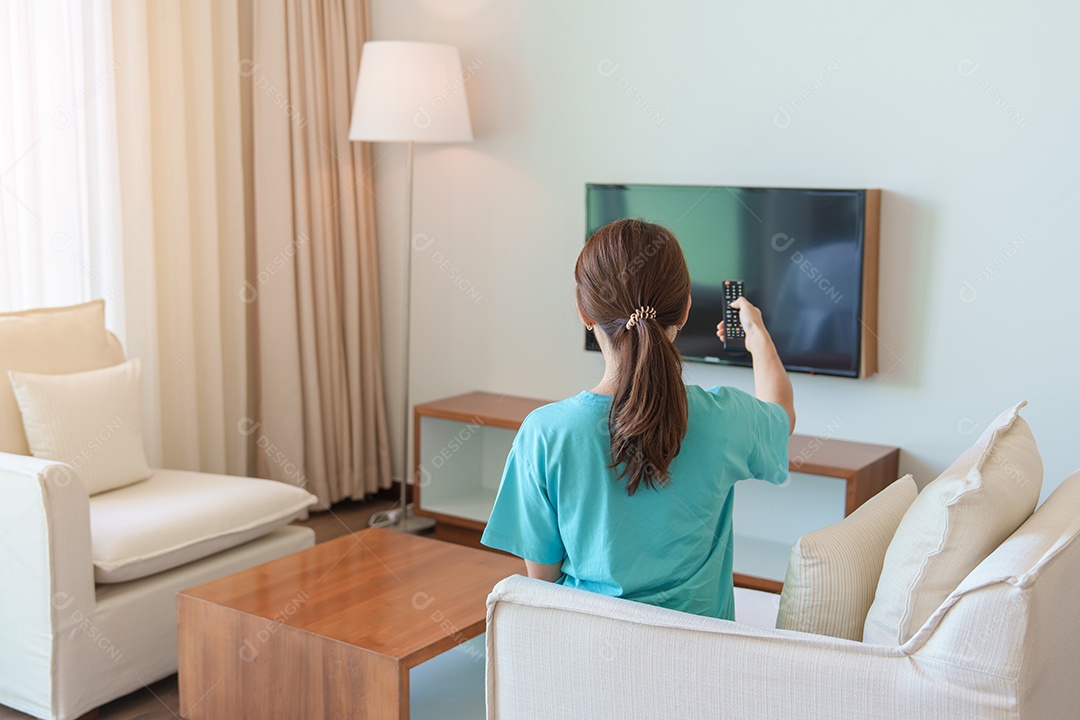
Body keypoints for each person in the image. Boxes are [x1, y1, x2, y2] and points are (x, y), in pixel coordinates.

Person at [480, 218, 795, 620]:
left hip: (588, 663)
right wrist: (757, 335)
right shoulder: (725, 418)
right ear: (684, 309)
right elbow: (781, 417)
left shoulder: (545, 433)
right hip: (703, 669)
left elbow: (543, 581)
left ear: (583, 312)